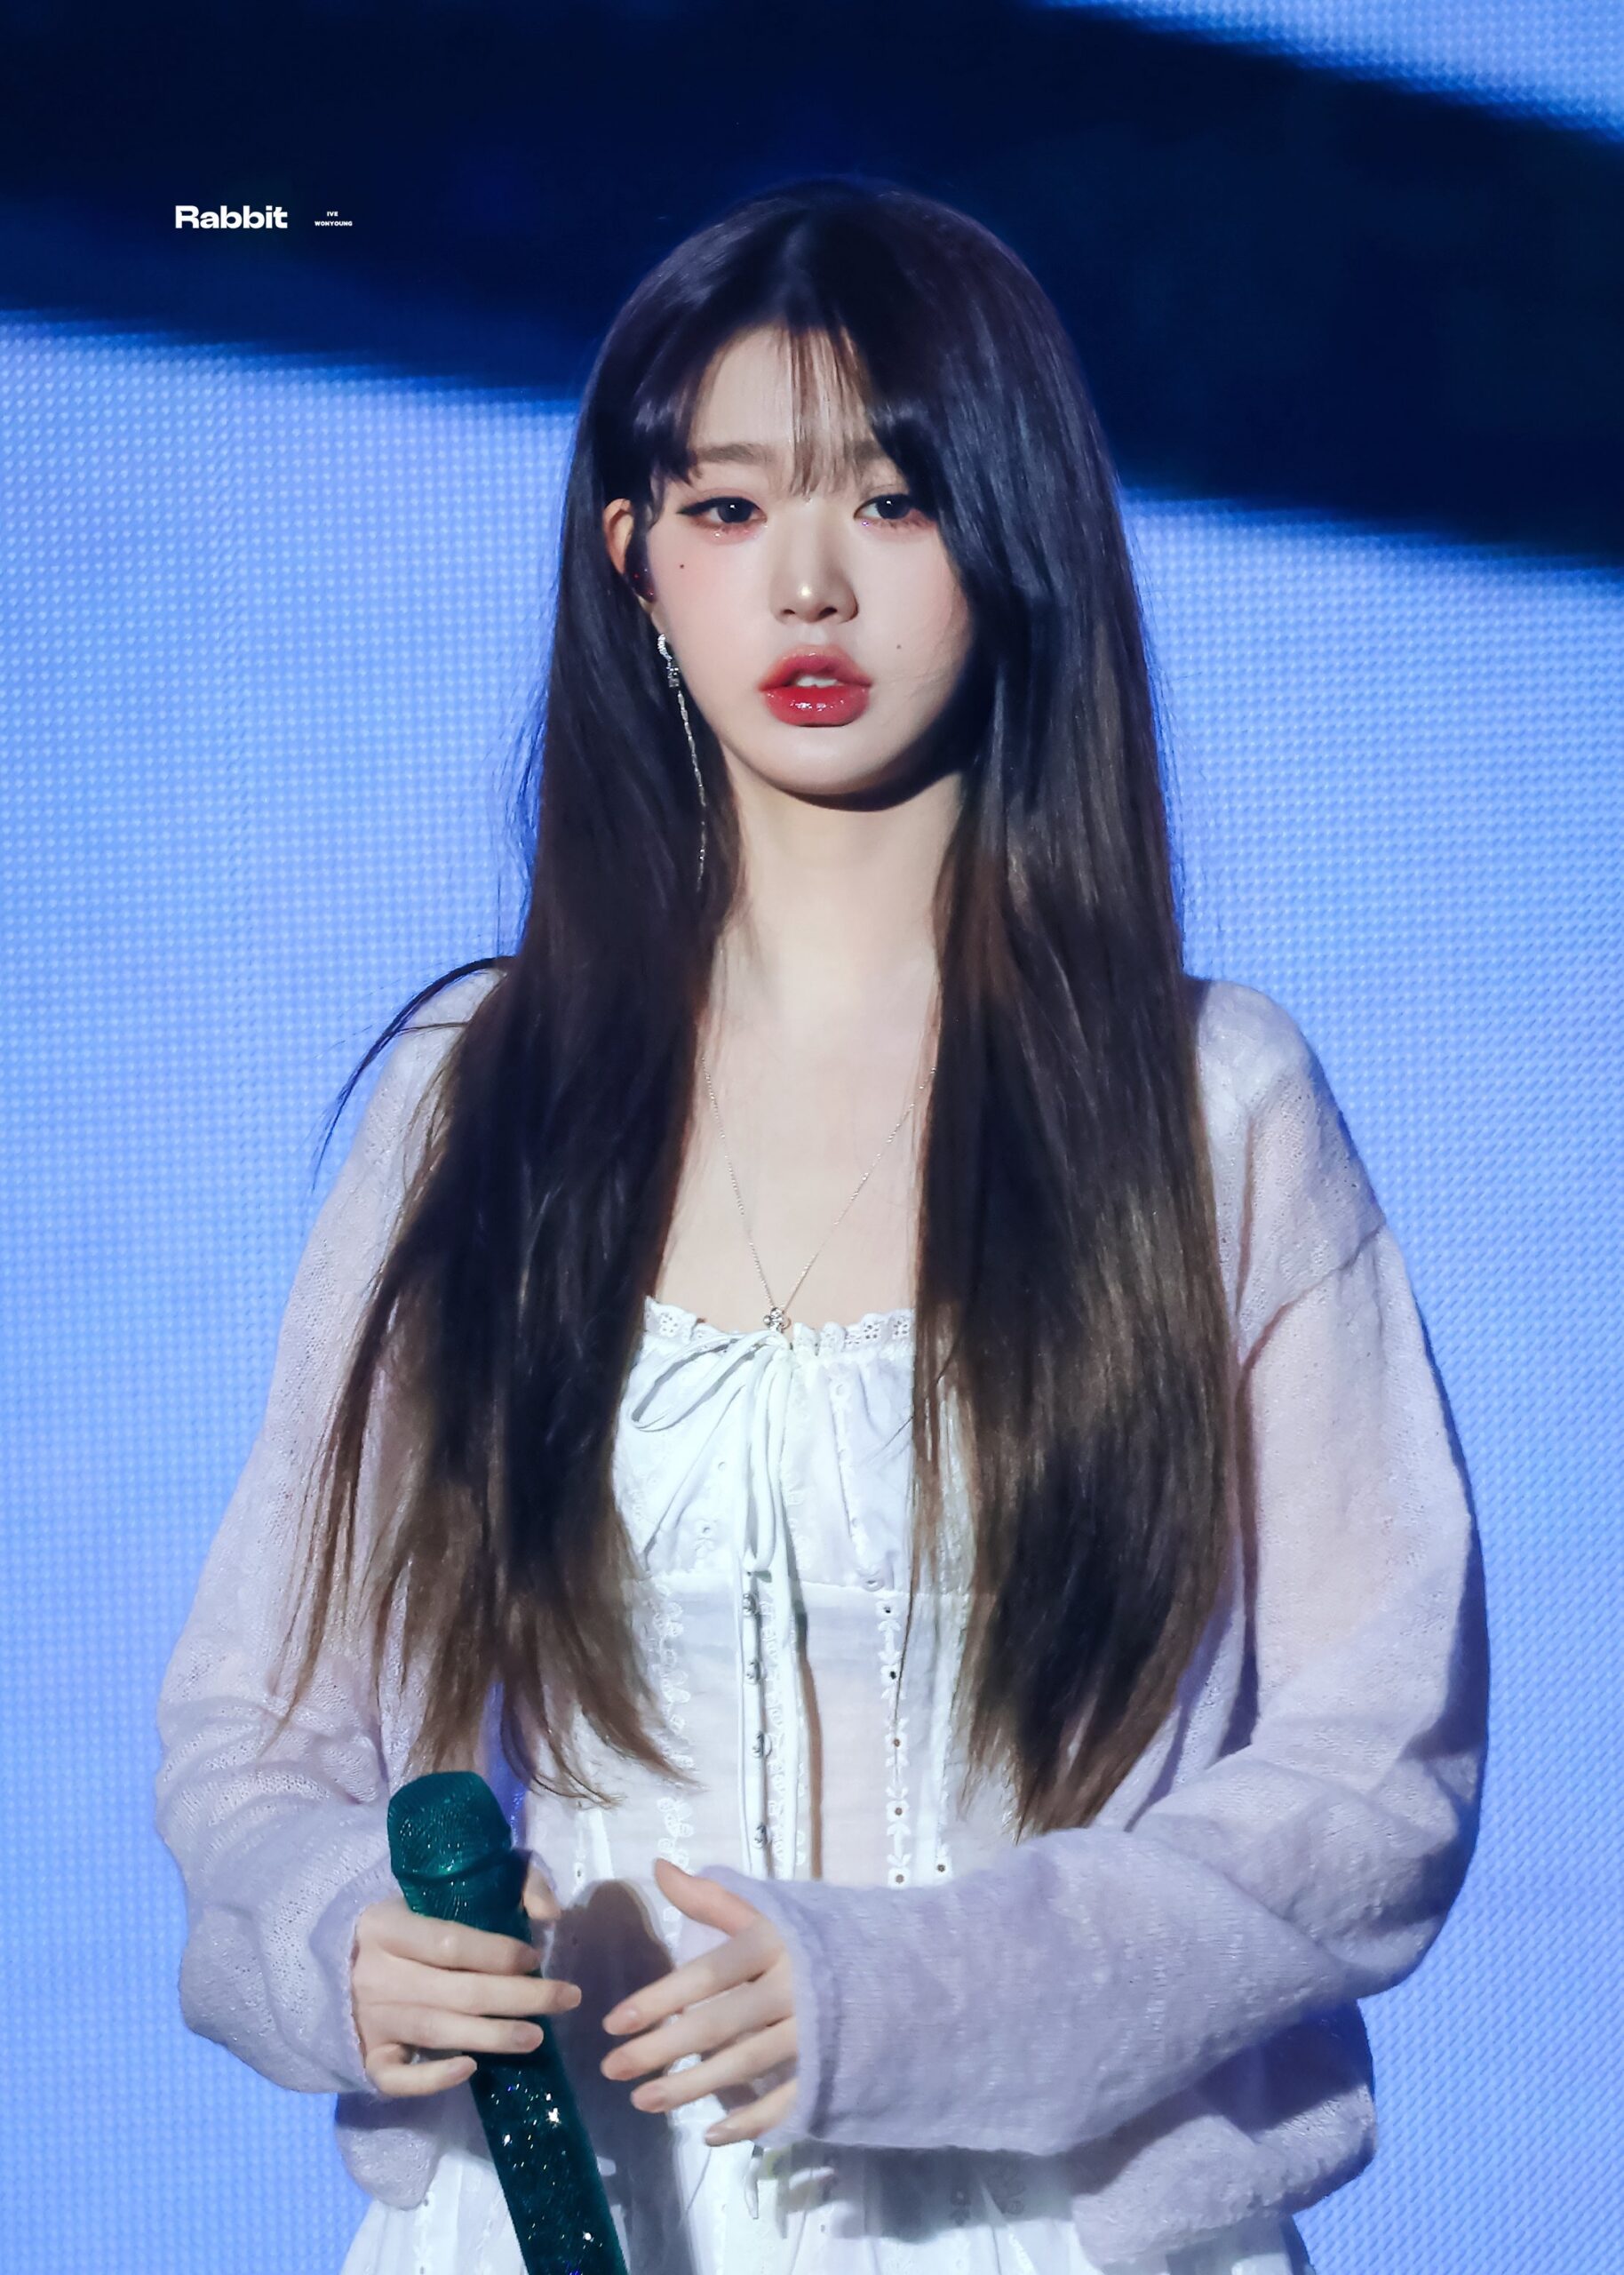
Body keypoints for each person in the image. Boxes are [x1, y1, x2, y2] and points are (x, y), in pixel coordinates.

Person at [154, 177, 1489, 2275]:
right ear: (633, 559)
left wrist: (921, 1992)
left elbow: (1370, 1762)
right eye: (726, 505)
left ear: (1010, 537)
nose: (804, 584)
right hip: (562, 2216)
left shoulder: (1206, 1104)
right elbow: (263, 1717)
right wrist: (347, 1934)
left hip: (1042, 2227)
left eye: (888, 500)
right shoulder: (472, 1095)